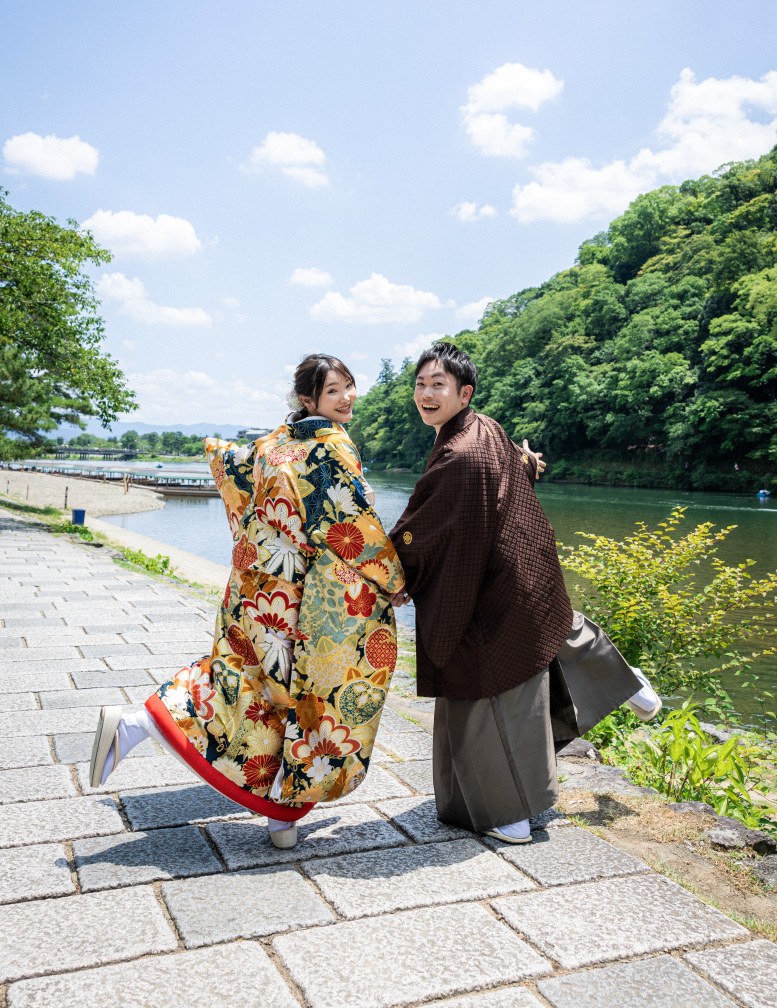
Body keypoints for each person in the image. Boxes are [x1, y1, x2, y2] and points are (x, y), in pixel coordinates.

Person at [89, 354, 407, 850]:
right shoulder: (331, 445)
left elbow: (232, 469)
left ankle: (140, 727)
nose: (346, 398)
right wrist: (391, 577)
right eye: (333, 392)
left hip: (254, 586)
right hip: (300, 597)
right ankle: (282, 811)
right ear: (309, 399)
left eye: (349, 387)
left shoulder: (273, 442)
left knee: (245, 681)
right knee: (305, 695)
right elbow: (351, 522)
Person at [390, 341, 661, 844]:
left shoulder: (458, 453)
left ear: (464, 392)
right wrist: (531, 465)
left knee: (491, 687)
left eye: (438, 385)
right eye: (421, 384)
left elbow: (421, 529)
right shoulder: (484, 426)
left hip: (491, 585)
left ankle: (508, 814)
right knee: (555, 627)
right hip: (526, 562)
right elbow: (517, 466)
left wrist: (394, 571)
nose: (425, 394)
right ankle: (627, 683)